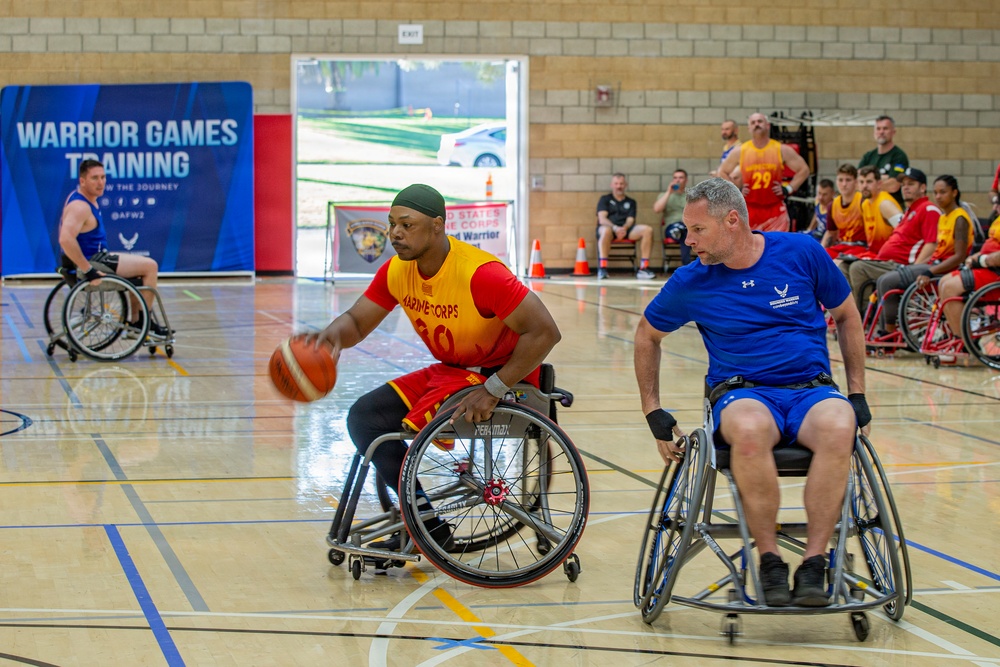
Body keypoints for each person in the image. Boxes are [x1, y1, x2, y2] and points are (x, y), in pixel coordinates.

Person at [634, 178, 868, 608]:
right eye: (688, 230)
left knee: (841, 426)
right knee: (748, 427)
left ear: (732, 221)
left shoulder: (801, 252)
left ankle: (815, 562)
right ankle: (770, 560)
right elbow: (647, 336)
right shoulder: (692, 281)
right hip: (743, 392)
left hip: (811, 390)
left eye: (698, 230)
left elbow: (848, 317)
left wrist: (857, 395)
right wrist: (653, 410)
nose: (690, 242)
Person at [310, 184, 561, 551]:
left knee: (398, 422)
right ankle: (427, 524)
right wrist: (327, 338)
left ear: (438, 226)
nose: (395, 233)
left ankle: (419, 527)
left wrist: (493, 389)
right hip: (454, 370)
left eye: (407, 225)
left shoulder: (480, 273)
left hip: (504, 375)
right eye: (392, 224)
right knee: (364, 418)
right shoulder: (397, 270)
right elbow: (357, 321)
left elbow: (545, 332)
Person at [58, 158, 170, 337]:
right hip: (93, 262)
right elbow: (65, 239)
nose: (101, 182)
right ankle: (142, 323)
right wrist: (88, 270)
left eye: (103, 177)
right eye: (95, 178)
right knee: (150, 266)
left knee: (139, 268)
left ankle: (137, 322)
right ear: (82, 181)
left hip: (96, 257)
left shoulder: (82, 198)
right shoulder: (80, 207)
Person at [875, 174, 973, 332]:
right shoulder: (944, 217)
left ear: (954, 192)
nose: (938, 196)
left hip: (945, 269)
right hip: (934, 265)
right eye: (936, 192)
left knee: (888, 281)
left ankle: (889, 332)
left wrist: (929, 270)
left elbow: (959, 257)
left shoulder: (960, 218)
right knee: (882, 280)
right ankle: (883, 330)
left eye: (943, 192)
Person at [840, 168, 941, 312]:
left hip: (903, 265)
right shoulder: (910, 210)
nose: (905, 187)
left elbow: (931, 245)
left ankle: (862, 319)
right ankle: (847, 313)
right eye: (903, 184)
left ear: (923, 187)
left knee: (858, 268)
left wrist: (914, 270)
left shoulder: (928, 209)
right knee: (844, 265)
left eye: (911, 184)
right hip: (886, 262)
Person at [717, 113, 810, 232]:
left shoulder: (781, 149)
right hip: (749, 208)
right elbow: (722, 171)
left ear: (768, 125)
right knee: (750, 248)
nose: (757, 124)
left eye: (760, 121)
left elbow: (804, 170)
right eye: (753, 122)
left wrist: (789, 189)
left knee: (776, 248)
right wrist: (736, 191)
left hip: (775, 208)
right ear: (749, 128)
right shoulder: (740, 151)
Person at [937, 216, 1000, 340]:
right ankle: (955, 334)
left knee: (950, 288)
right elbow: (990, 246)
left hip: (995, 272)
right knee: (943, 282)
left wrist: (982, 260)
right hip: (988, 266)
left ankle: (962, 341)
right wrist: (975, 257)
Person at [596, 173, 655, 279]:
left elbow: (630, 219)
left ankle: (643, 268)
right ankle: (602, 268)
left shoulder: (631, 202)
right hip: (609, 229)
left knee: (647, 230)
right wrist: (615, 228)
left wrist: (624, 228)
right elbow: (602, 219)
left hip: (626, 230)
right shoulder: (604, 199)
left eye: (621, 184)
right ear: (612, 185)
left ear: (625, 185)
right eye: (616, 183)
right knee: (605, 231)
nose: (619, 186)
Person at [858, 115, 908, 207]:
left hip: (892, 208)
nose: (881, 132)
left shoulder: (899, 156)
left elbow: (894, 185)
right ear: (874, 132)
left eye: (885, 128)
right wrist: (885, 178)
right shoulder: (868, 156)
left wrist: (869, 183)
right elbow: (857, 182)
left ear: (893, 132)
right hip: (870, 207)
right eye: (878, 128)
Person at [858, 165, 903, 258]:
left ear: (879, 184)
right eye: (861, 182)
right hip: (873, 254)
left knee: (854, 267)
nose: (864, 186)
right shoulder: (865, 204)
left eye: (869, 182)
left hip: (888, 257)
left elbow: (905, 231)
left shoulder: (885, 204)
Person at [822, 164, 866, 258]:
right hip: (841, 246)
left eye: (848, 180)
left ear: (856, 182)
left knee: (838, 263)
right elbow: (831, 233)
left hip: (861, 247)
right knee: (818, 260)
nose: (844, 184)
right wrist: (820, 250)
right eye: (840, 180)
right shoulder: (832, 205)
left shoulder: (863, 201)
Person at [653, 169, 691, 268]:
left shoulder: (691, 196)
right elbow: (657, 209)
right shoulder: (664, 195)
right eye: (675, 178)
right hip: (670, 226)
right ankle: (686, 266)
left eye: (681, 178)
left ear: (686, 180)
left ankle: (678, 231)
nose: (677, 180)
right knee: (685, 233)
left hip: (688, 226)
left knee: (685, 232)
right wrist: (669, 192)